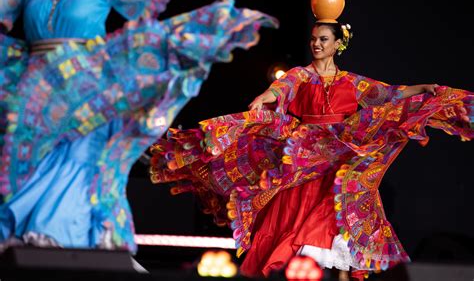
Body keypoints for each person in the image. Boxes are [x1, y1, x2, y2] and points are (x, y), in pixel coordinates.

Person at [149, 21, 473, 279]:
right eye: (314, 39)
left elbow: (390, 94)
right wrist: (265, 97)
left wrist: (424, 89)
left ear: (336, 45)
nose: (316, 44)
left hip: (337, 158)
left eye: (323, 39)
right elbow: (281, 87)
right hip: (303, 159)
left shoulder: (353, 83)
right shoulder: (301, 75)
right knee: (289, 231)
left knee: (338, 231)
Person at [0, 0, 278, 253]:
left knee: (82, 156)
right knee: (30, 160)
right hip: (36, 95)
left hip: (89, 93)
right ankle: (25, 230)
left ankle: (58, 231)